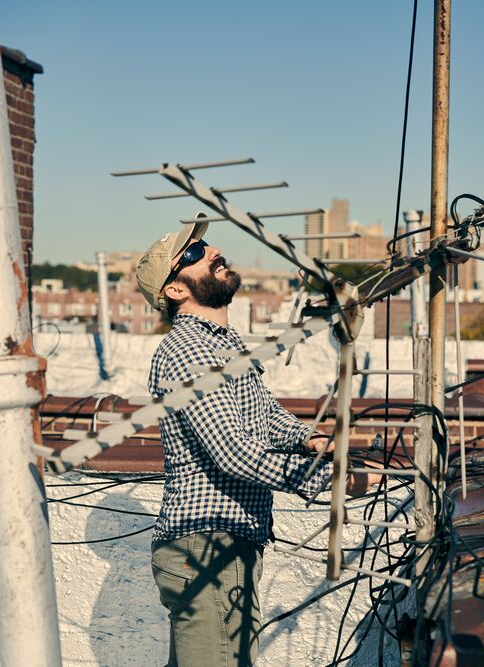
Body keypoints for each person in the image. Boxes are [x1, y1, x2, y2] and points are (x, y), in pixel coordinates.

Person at [136, 217, 379, 666]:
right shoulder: (187, 351)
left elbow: (264, 416)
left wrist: (310, 438)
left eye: (206, 245)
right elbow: (231, 451)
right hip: (205, 547)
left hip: (226, 543)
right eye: (193, 254)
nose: (211, 252)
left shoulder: (224, 345)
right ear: (174, 290)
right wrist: (327, 478)